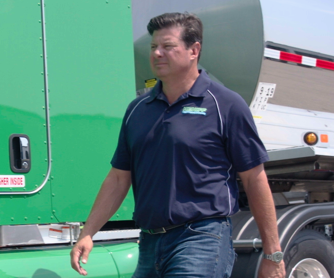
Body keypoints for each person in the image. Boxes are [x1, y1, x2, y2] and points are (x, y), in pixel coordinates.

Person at [69, 12, 286, 278]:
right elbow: (117, 178)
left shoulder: (225, 105)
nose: (157, 53)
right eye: (153, 47)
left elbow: (254, 179)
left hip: (202, 238)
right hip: (149, 243)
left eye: (167, 46)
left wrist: (272, 253)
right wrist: (88, 232)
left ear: (194, 50)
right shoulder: (137, 109)